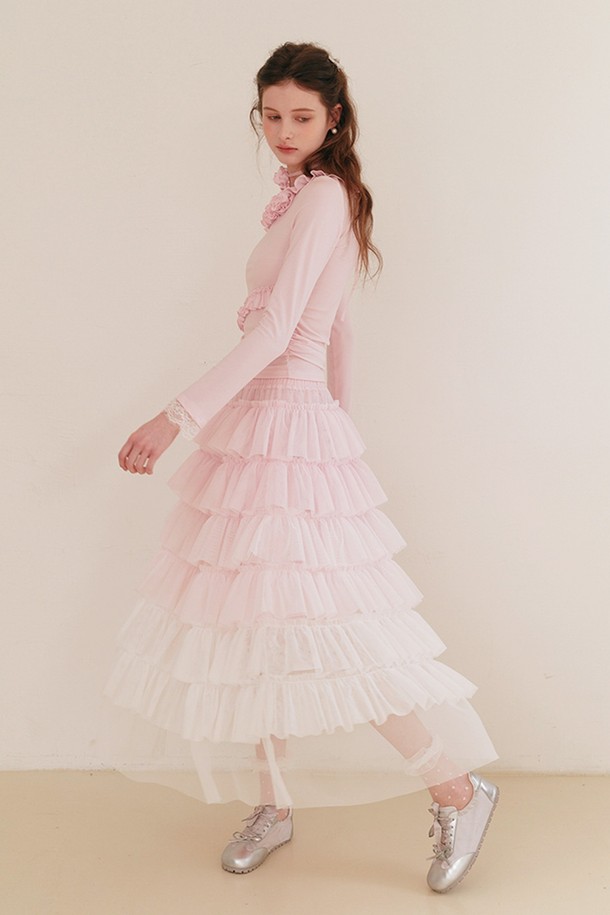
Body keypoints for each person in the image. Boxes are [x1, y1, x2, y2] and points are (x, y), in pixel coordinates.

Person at [105, 41, 499, 894]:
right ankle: (275, 803)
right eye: (272, 115)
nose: (284, 131)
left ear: (334, 118)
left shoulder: (323, 195)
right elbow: (341, 326)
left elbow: (285, 329)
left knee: (332, 629)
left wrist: (176, 417)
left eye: (302, 116)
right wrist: (338, 424)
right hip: (272, 423)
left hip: (283, 418)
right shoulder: (306, 196)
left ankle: (458, 789)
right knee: (256, 623)